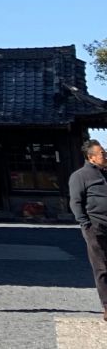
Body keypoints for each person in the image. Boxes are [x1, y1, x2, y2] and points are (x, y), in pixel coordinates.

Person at [68, 138, 107, 323]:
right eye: (102, 153)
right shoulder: (80, 176)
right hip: (95, 226)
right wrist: (85, 223)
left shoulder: (104, 174)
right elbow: (75, 202)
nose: (105, 156)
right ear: (91, 157)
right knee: (101, 266)